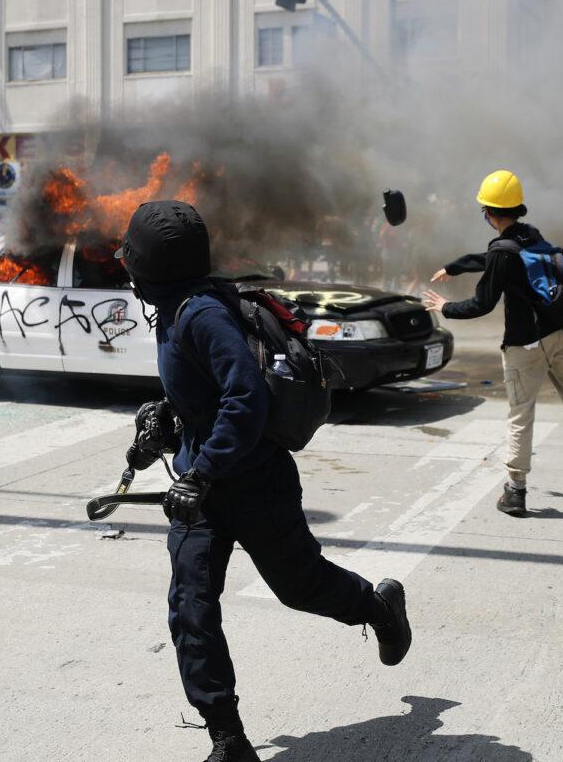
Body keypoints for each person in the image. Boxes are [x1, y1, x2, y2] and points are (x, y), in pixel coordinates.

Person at [117, 200, 411, 762]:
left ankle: (378, 608)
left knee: (300, 587)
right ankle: (228, 738)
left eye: (132, 262)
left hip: (253, 483)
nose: (127, 271)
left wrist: (200, 471)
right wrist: (165, 421)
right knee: (191, 607)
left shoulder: (201, 315)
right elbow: (204, 395)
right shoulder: (175, 308)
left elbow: (246, 399)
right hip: (201, 492)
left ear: (150, 267)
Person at [422, 170, 563, 515]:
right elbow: (495, 259)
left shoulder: (502, 251)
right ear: (517, 208)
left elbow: (482, 302)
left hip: (526, 346)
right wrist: (456, 266)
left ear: (489, 214)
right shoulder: (532, 238)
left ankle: (515, 490)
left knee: (521, 414)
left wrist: (444, 307)